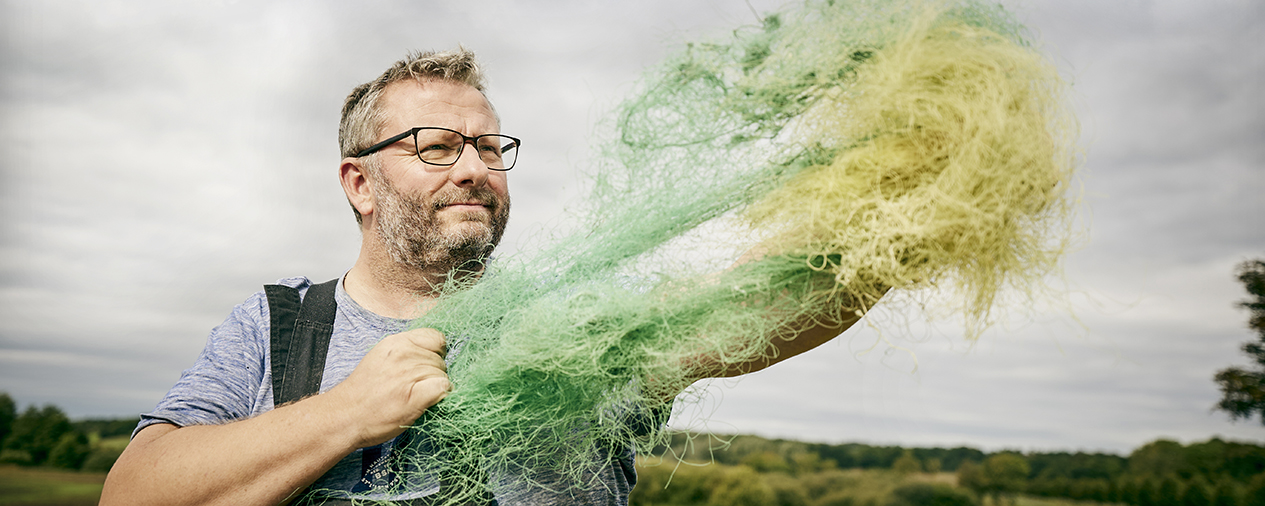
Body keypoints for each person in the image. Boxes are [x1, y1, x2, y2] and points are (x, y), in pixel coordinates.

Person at [100, 49, 860, 506]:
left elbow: (760, 307)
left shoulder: (578, 324)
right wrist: (350, 411)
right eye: (436, 147)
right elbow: (134, 494)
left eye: (491, 148)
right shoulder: (276, 325)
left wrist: (899, 220)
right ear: (359, 185)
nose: (473, 169)